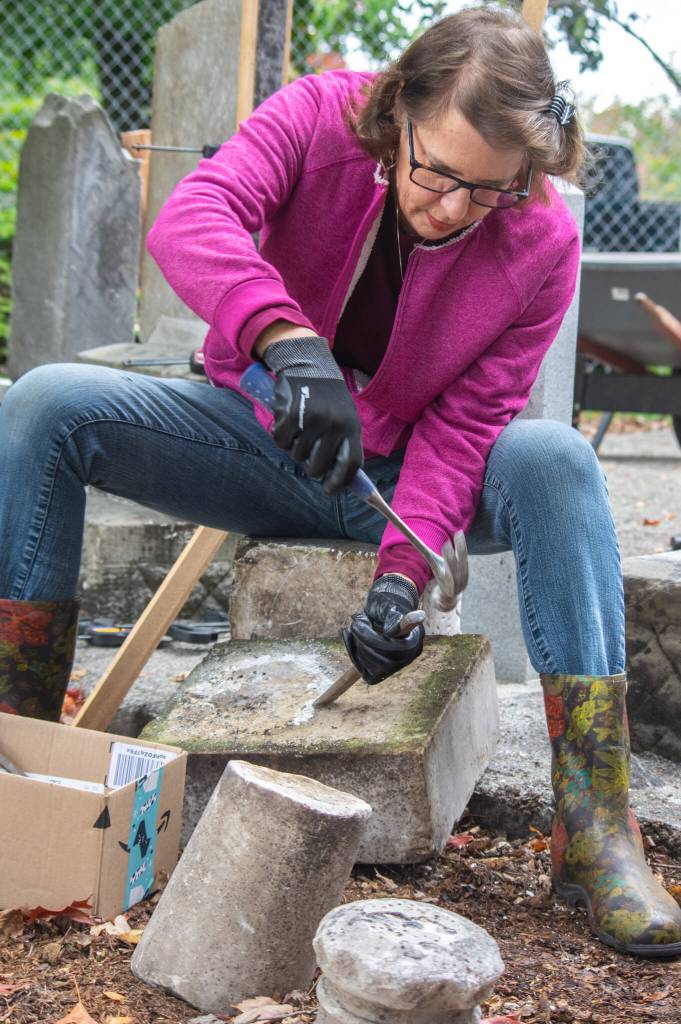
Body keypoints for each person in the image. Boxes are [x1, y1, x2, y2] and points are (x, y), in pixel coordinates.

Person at [0, 6, 679, 956]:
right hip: (251, 436)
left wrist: (400, 581)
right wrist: (286, 344)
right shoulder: (317, 117)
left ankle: (596, 827)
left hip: (397, 482)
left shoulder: (540, 243)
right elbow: (190, 217)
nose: (449, 207)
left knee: (553, 457)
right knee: (41, 403)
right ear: (396, 111)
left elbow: (467, 424)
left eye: (485, 190)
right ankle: (17, 764)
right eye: (435, 171)